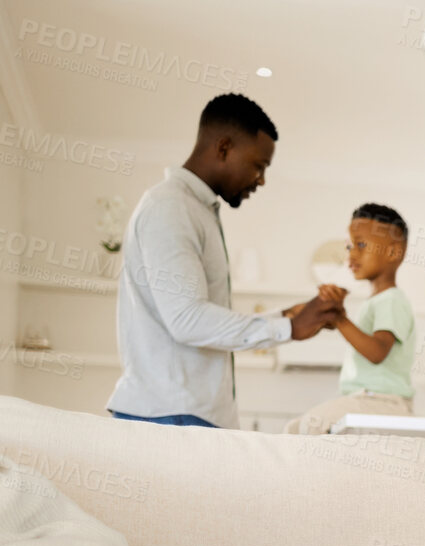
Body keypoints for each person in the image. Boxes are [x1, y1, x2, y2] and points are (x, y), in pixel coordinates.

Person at [107, 93, 342, 428]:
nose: (261, 180)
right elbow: (187, 319)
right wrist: (287, 326)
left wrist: (291, 315)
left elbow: (198, 314)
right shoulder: (170, 207)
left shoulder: (195, 209)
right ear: (223, 148)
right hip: (168, 415)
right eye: (259, 166)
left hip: (184, 413)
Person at [283, 204, 417, 436]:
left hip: (383, 403)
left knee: (309, 426)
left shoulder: (391, 300)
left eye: (361, 245)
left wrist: (340, 319)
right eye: (350, 245)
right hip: (367, 400)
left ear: (394, 253)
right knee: (296, 429)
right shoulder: (377, 301)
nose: (351, 254)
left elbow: (377, 352)